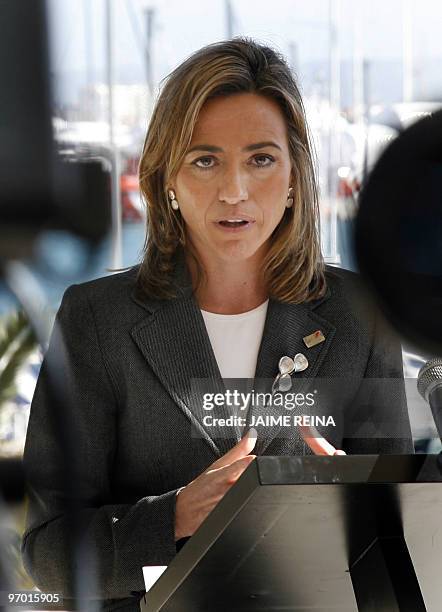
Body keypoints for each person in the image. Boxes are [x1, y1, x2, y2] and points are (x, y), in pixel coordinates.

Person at [21, 37, 413, 611]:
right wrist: (172, 516)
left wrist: (362, 504)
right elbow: (47, 553)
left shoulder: (363, 316)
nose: (235, 191)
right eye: (205, 160)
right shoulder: (96, 319)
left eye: (261, 159)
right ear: (168, 179)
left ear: (294, 177)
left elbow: (398, 540)